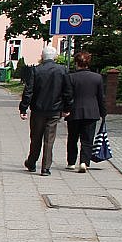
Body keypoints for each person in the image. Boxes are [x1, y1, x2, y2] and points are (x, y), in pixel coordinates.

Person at [19, 45, 73, 175]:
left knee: (35, 138)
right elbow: (67, 91)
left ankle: (31, 163)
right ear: (54, 57)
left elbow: (28, 91)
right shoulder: (62, 70)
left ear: (42, 57)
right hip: (54, 110)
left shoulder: (36, 70)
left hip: (38, 110)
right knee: (49, 139)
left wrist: (23, 108)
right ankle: (45, 168)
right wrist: (67, 108)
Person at [65, 51, 106, 173]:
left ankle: (71, 162)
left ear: (77, 63)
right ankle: (84, 162)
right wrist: (103, 112)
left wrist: (65, 109)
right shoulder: (97, 78)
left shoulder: (71, 77)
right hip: (91, 112)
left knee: (72, 138)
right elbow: (101, 97)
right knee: (87, 139)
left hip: (74, 112)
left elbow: (68, 95)